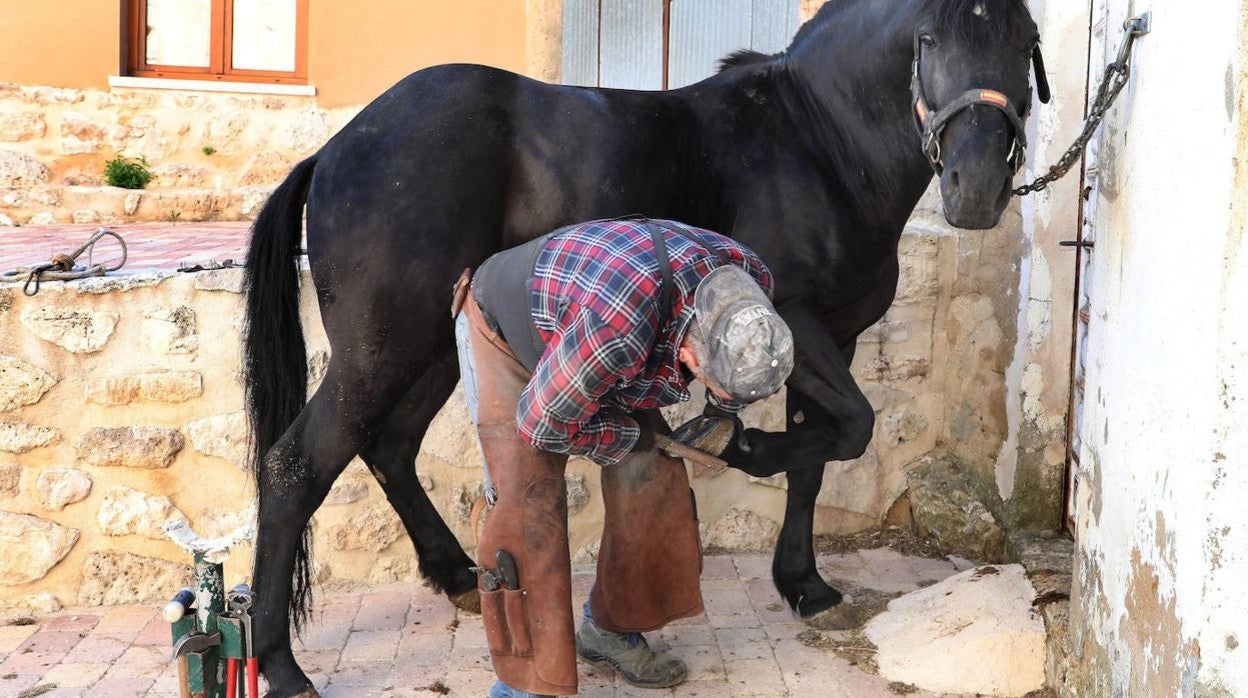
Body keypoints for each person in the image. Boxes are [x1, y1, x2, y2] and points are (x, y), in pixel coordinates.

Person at [451, 217, 793, 697]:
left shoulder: (751, 284)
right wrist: (628, 437)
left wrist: (723, 412)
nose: (717, 393)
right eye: (713, 385)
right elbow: (541, 423)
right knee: (529, 509)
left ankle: (607, 630)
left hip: (598, 322)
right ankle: (524, 686)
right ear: (693, 360)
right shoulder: (618, 332)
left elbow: (734, 369)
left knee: (653, 478)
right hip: (510, 332)